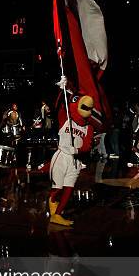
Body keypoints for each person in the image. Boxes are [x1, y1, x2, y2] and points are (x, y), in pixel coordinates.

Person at [49, 77, 94, 227]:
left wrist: (77, 149)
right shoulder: (66, 119)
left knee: (69, 188)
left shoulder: (88, 127)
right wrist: (63, 90)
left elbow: (87, 146)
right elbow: (62, 107)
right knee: (58, 188)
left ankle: (57, 215)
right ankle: (52, 201)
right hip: (62, 156)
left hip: (76, 160)